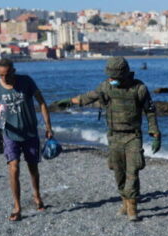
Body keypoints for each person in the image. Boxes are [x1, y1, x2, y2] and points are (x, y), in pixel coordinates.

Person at [68, 57, 160, 221]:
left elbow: (150, 112)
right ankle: (124, 201)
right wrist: (69, 101)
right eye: (110, 76)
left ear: (123, 74)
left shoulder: (139, 88)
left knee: (133, 171)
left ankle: (132, 206)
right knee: (118, 172)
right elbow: (89, 96)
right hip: (114, 136)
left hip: (133, 136)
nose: (111, 79)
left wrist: (155, 133)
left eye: (114, 77)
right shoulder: (106, 87)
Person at [0, 58, 53, 221]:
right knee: (14, 167)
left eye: (7, 75)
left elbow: (42, 103)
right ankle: (17, 207)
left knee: (33, 168)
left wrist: (48, 127)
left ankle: (37, 195)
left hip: (30, 132)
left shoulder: (26, 81)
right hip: (10, 134)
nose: (4, 78)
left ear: (13, 71)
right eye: (0, 75)